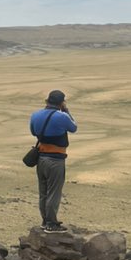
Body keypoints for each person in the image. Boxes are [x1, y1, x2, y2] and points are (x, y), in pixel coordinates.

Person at [29, 89, 77, 232]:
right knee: (54, 193)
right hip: (56, 160)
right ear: (61, 103)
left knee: (43, 192)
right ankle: (51, 224)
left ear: (47, 101)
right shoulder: (61, 116)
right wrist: (66, 111)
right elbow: (73, 127)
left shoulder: (35, 115)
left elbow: (33, 132)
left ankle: (44, 221)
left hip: (41, 159)